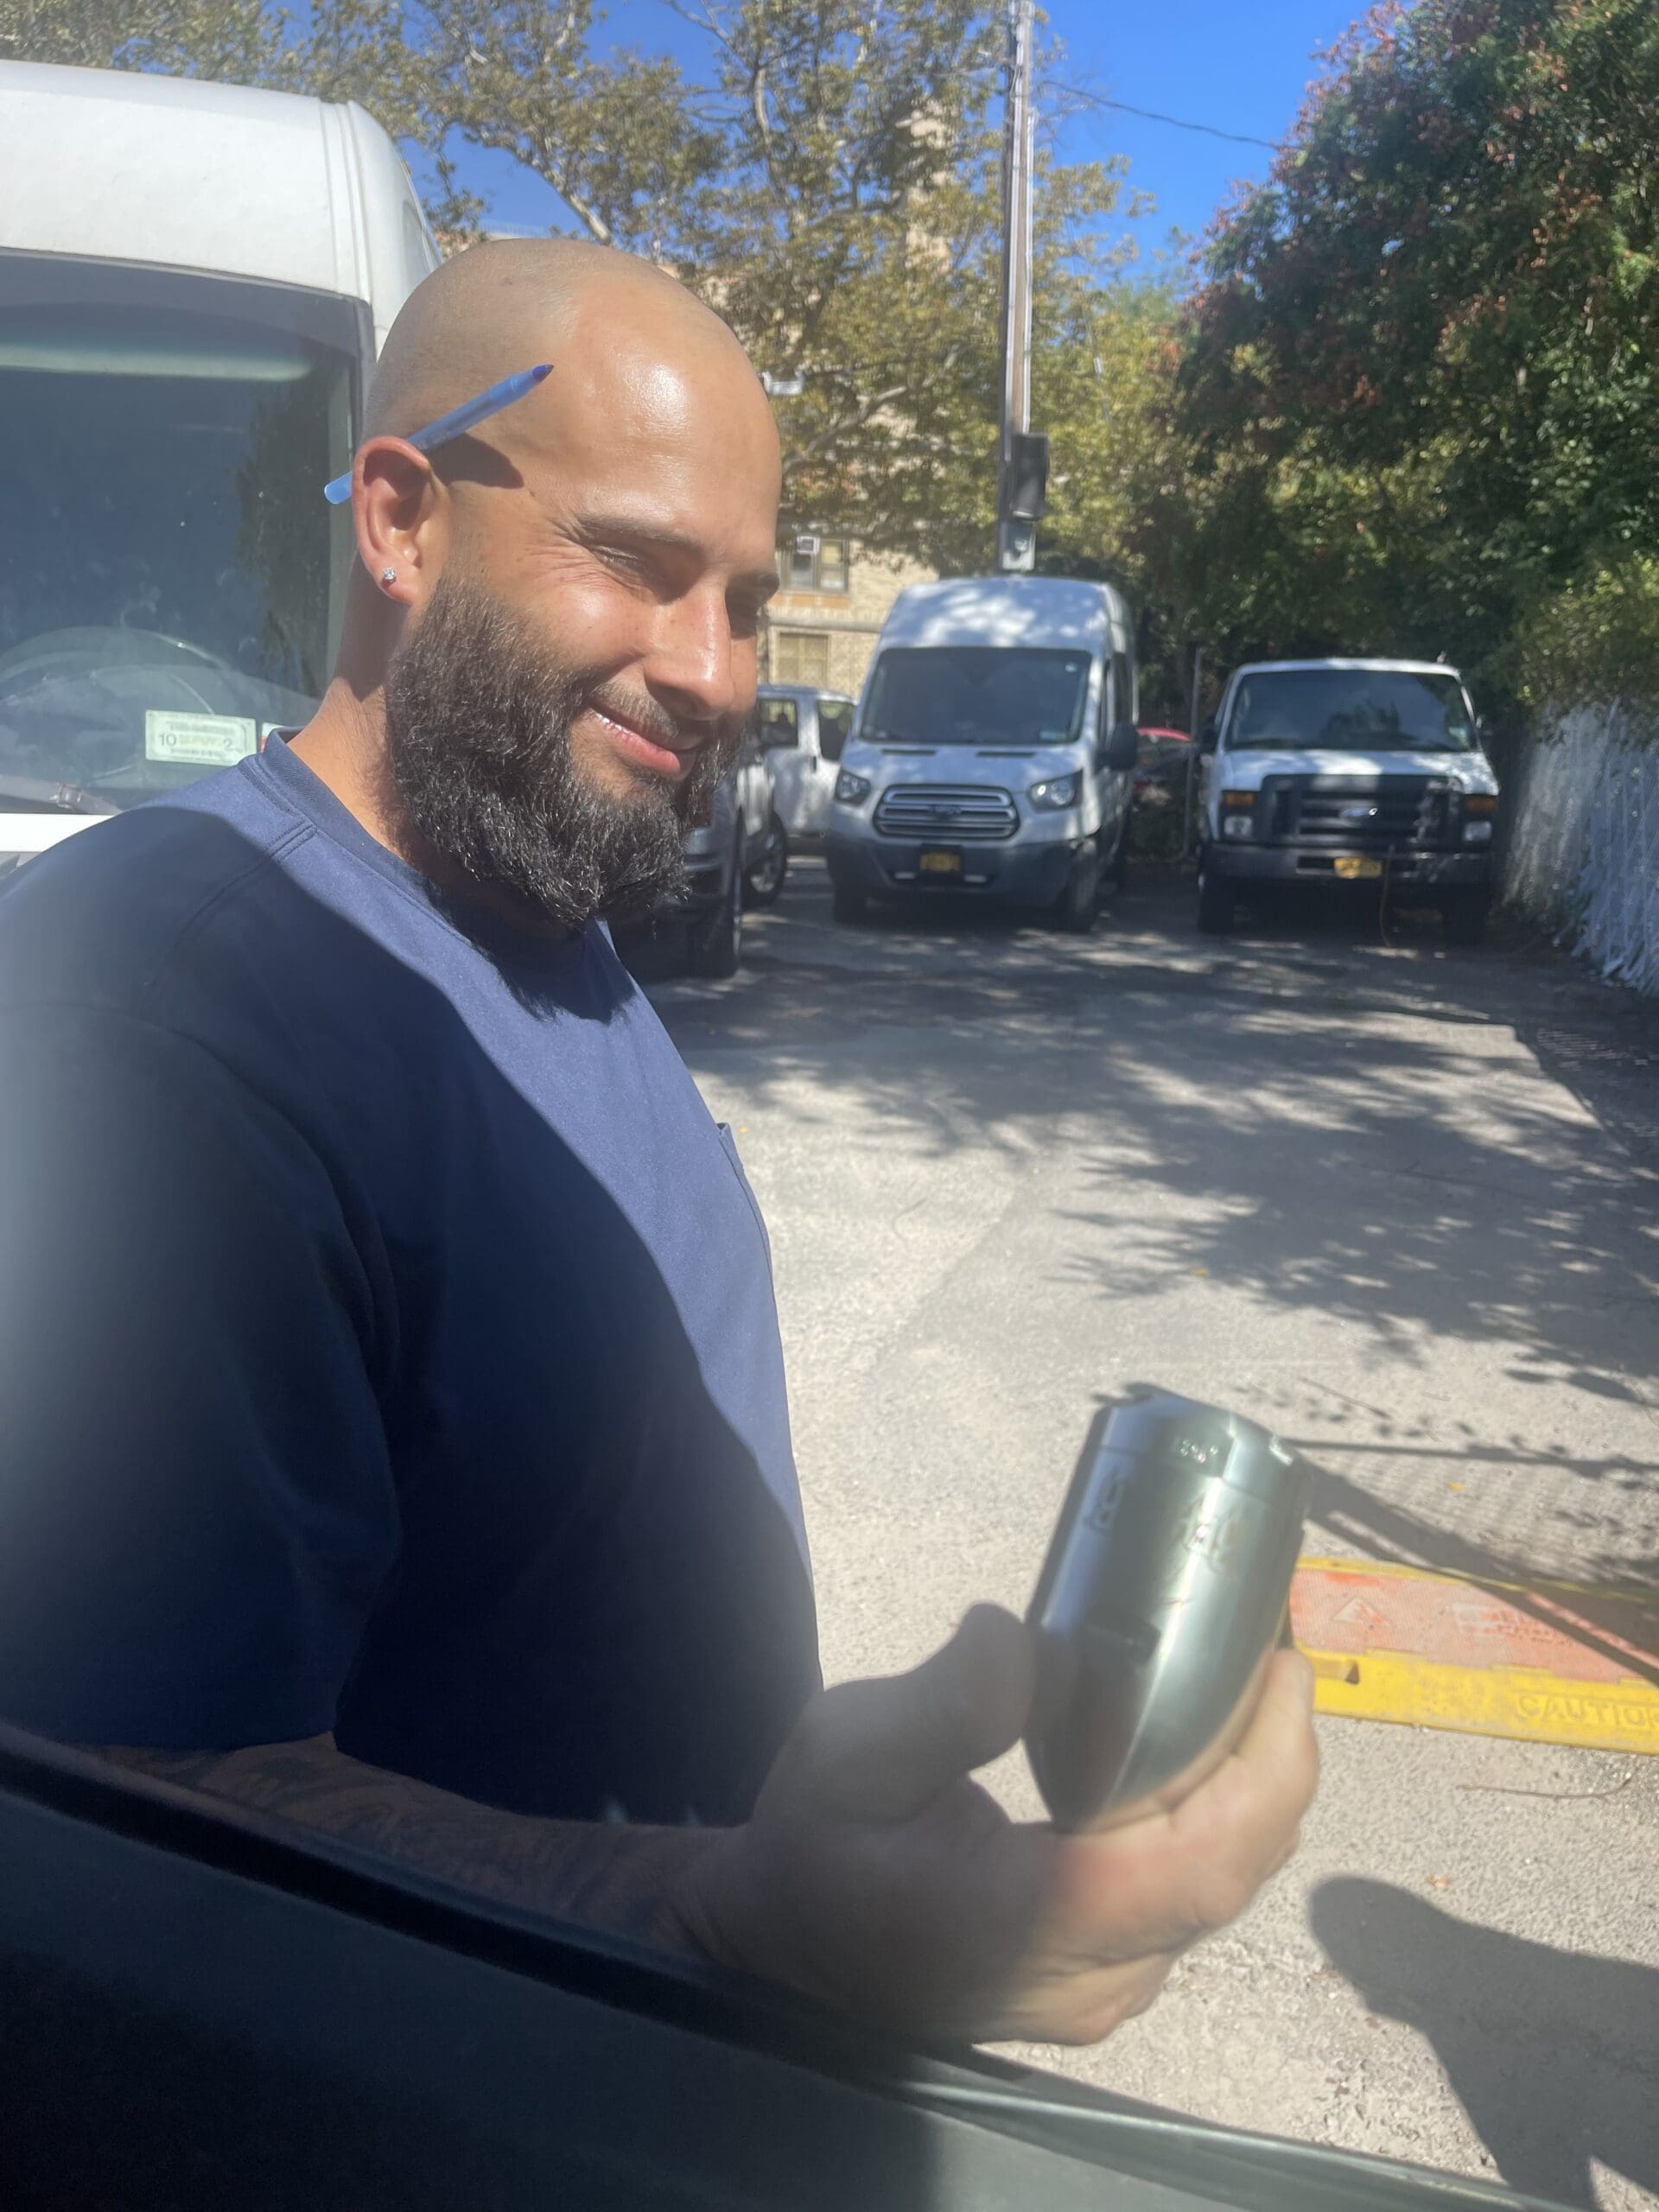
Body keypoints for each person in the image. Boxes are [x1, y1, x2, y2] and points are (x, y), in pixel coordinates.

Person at [0, 239, 1317, 2045]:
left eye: (755, 600)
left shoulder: (539, 918)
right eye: (635, 562)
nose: (714, 671)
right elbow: (118, 1799)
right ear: (400, 518)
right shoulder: (149, 1014)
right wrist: (722, 1914)